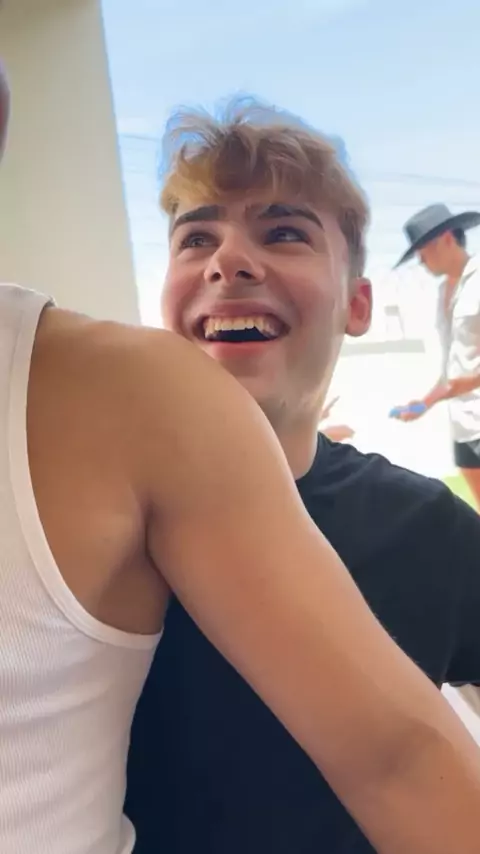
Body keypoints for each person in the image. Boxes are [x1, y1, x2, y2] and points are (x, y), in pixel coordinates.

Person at [2, 69, 480, 854]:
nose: (229, 261)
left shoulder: (426, 527)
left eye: (284, 232)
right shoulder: (95, 515)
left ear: (358, 303)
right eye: (196, 238)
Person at [391, 203, 480, 508]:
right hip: (464, 423)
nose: (420, 260)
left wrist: (434, 398)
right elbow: (452, 367)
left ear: (446, 238)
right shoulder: (444, 291)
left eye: (423, 251)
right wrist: (422, 403)